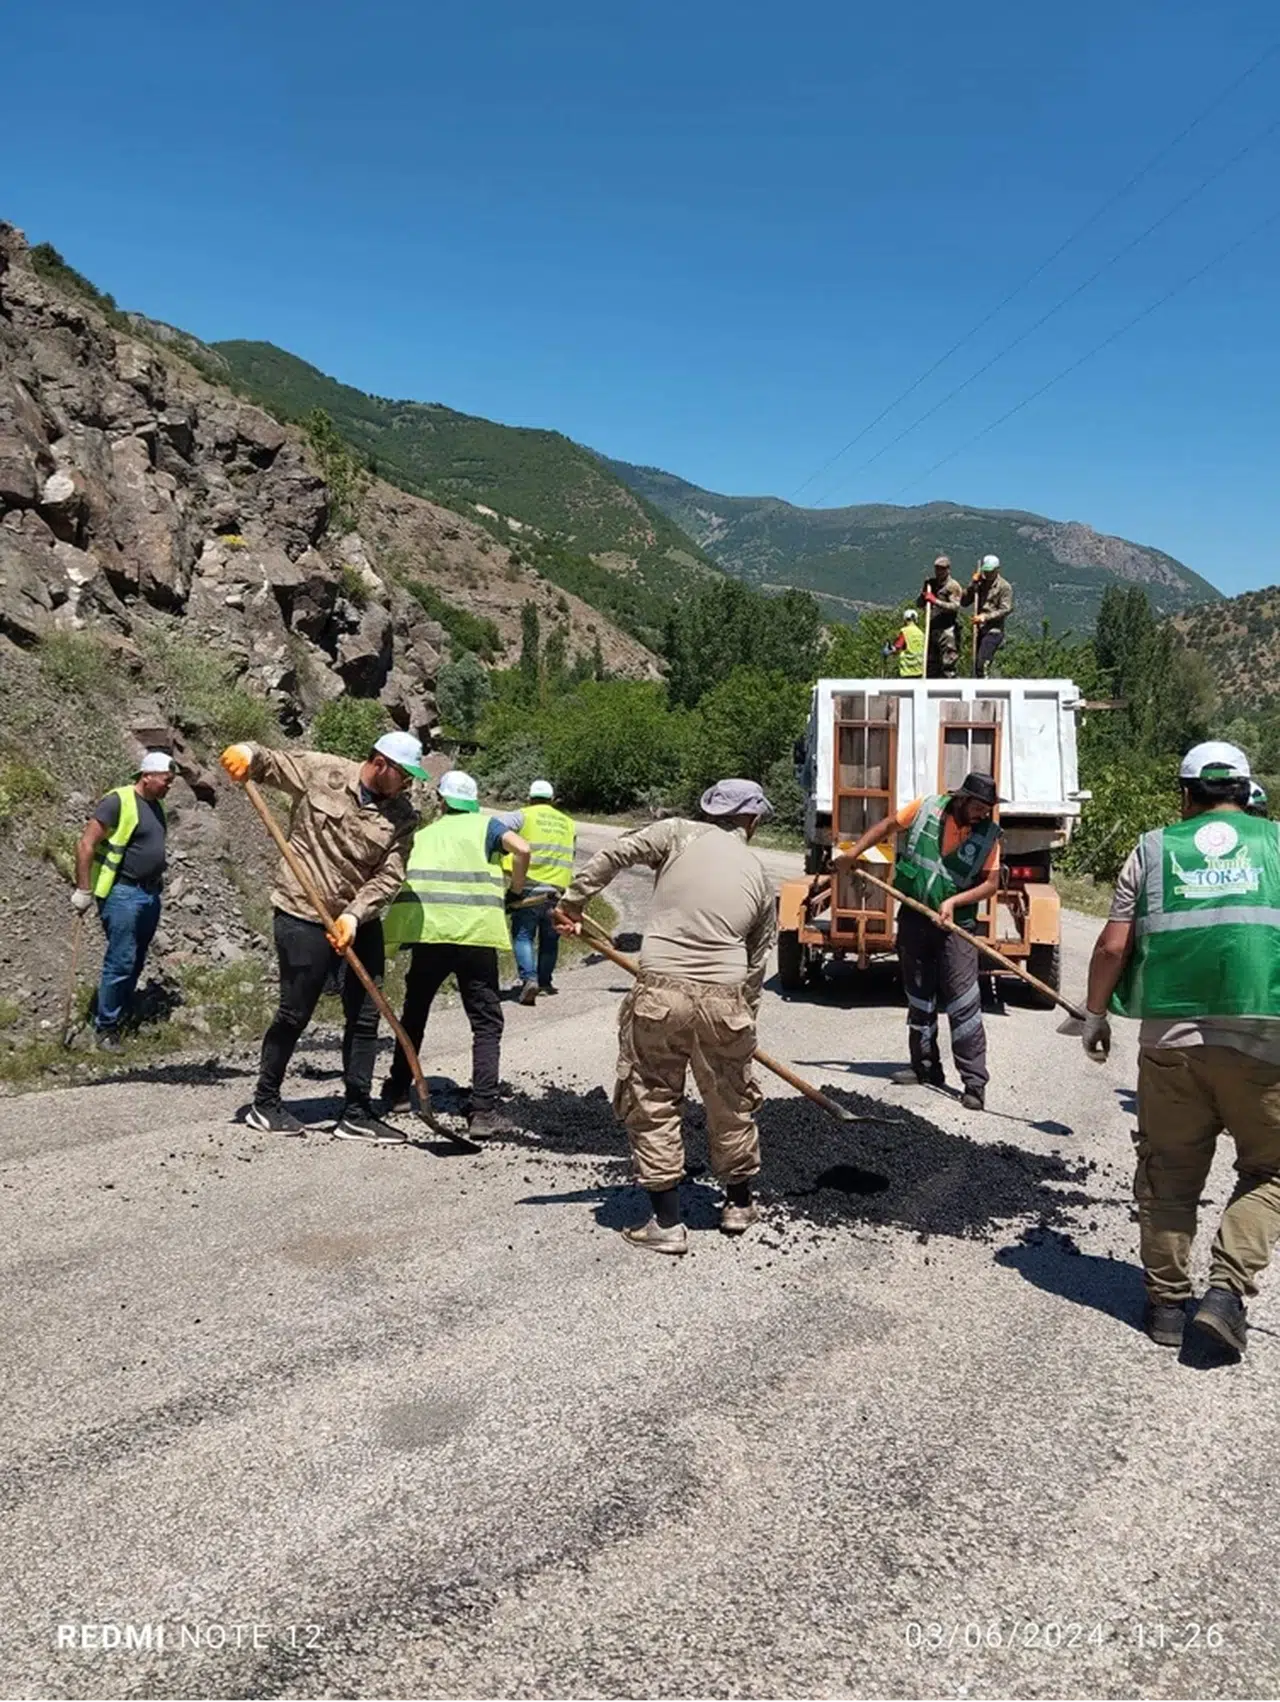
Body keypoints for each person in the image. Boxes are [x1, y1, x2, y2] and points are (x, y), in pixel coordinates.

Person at [1080, 741, 1280, 1355]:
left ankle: (1167, 1307)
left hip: (1171, 1040)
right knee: (1270, 1172)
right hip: (1266, 1044)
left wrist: (1094, 1017)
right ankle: (1225, 1292)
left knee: (1169, 1176)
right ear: (1247, 791)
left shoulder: (1153, 848)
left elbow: (1113, 947)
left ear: (1185, 795)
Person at [554, 779, 777, 1254]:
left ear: (710, 810)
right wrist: (744, 1025)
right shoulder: (759, 875)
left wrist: (573, 901)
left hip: (661, 995)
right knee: (731, 1099)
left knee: (652, 1097)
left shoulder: (677, 833)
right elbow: (757, 962)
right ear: (752, 820)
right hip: (726, 1000)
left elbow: (616, 853)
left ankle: (667, 1225)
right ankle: (737, 1205)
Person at [220, 729, 424, 1141]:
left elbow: (389, 876)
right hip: (301, 911)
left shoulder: (403, 816)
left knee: (366, 1016)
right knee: (295, 1011)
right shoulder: (325, 772)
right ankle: (266, 1102)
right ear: (380, 763)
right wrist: (246, 754)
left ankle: (356, 1111)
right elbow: (271, 763)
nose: (410, 783)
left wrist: (354, 915)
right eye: (404, 774)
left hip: (357, 922)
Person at [832, 772, 1003, 1111]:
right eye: (981, 807)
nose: (985, 814)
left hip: (958, 927)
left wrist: (954, 902)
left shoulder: (988, 837)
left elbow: (991, 884)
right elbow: (886, 827)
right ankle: (925, 1066)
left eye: (989, 808)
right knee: (919, 993)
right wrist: (853, 855)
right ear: (963, 799)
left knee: (963, 1000)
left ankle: (974, 1082)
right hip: (914, 917)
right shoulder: (925, 808)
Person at [380, 770, 530, 1138]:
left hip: (431, 935)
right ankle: (483, 1111)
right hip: (475, 937)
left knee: (414, 1015)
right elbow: (523, 849)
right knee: (486, 1023)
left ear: (443, 801)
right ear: (473, 801)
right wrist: (516, 891)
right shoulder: (488, 828)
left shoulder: (425, 835)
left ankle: (399, 1091)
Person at [72, 750, 176, 1051]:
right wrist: (83, 889)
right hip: (122, 892)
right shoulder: (118, 801)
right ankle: (106, 1027)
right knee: (122, 959)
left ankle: (119, 1013)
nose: (169, 786)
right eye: (166, 780)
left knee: (137, 957)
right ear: (148, 777)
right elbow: (87, 843)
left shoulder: (156, 806)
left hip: (149, 893)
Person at [505, 779, 577, 1004]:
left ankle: (529, 979)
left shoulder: (522, 816)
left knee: (523, 935)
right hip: (556, 891)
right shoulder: (568, 823)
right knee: (550, 938)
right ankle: (545, 982)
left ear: (530, 798)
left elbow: (492, 827)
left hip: (529, 888)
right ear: (552, 800)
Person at [961, 554, 1014, 677]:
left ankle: (984, 690)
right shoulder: (980, 584)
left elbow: (1005, 609)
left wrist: (985, 617)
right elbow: (964, 602)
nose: (988, 574)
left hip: (993, 630)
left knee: (982, 663)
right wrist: (972, 585)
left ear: (997, 570)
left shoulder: (1004, 587)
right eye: (986, 571)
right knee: (975, 665)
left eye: (991, 571)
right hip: (979, 630)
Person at [917, 554, 964, 678]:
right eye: (937, 568)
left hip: (947, 630)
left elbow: (955, 606)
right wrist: (924, 595)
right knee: (931, 664)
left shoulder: (952, 586)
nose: (939, 571)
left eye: (942, 568)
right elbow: (919, 604)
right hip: (932, 629)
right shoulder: (931, 584)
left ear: (948, 569)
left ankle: (949, 691)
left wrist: (935, 601)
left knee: (948, 663)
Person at [881, 609, 926, 678]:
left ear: (905, 620)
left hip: (908, 671)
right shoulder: (920, 633)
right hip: (920, 670)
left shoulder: (905, 631)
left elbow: (897, 647)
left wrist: (889, 650)